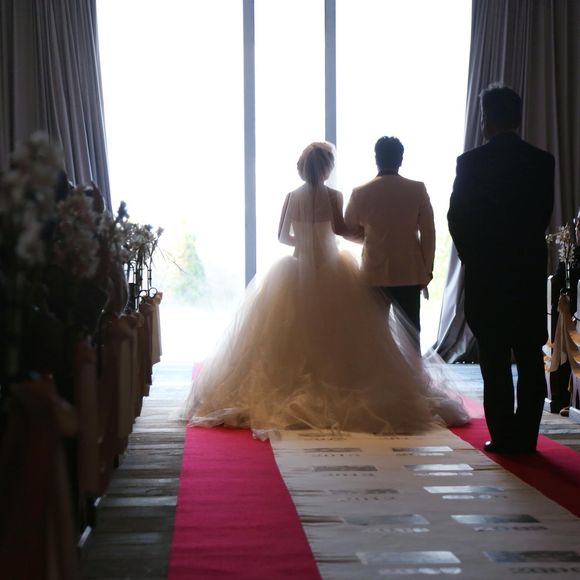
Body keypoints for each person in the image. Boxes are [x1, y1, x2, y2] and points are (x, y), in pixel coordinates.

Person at [181, 142, 468, 438]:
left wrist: (307, 244)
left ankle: (295, 380)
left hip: (304, 266)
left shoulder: (299, 196)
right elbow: (341, 228)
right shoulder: (339, 195)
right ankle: (394, 381)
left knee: (292, 329)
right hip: (339, 267)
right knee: (363, 334)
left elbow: (284, 236)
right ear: (327, 168)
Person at [448, 84, 554, 454]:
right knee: (529, 357)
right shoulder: (542, 161)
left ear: (486, 120)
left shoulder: (471, 163)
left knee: (493, 361)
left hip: (487, 274)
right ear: (518, 118)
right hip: (527, 272)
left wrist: (473, 257)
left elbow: (457, 218)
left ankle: (503, 436)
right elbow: (542, 216)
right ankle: (526, 438)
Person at [344, 136, 435, 346]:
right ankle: (412, 369)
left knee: (377, 337)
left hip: (374, 271)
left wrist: (370, 238)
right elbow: (428, 233)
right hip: (409, 271)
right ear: (401, 159)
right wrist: (426, 269)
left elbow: (348, 230)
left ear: (376, 158)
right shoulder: (417, 189)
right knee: (411, 337)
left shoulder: (360, 192)